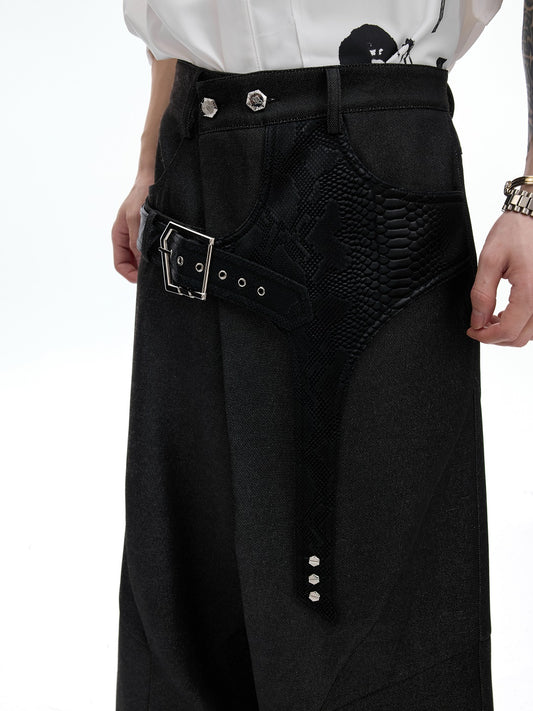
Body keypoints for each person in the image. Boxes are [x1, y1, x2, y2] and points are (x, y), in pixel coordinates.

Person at [111, 2, 532, 709]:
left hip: (369, 158)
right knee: (181, 616)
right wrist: (151, 155)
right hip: (191, 164)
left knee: (373, 634)